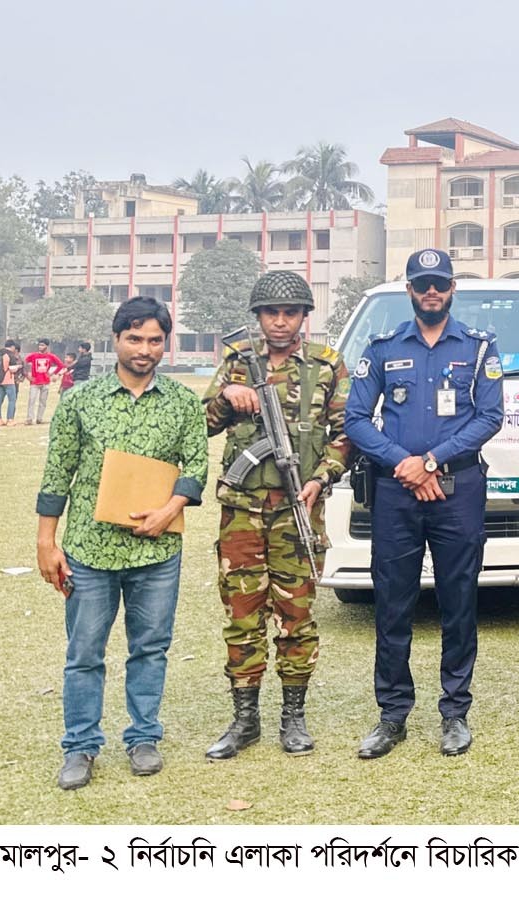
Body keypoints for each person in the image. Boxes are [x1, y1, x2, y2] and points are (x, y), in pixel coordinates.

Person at [34, 297, 208, 790]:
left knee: (150, 648)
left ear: (164, 344)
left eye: (155, 340)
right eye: (135, 338)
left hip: (157, 554)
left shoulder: (181, 403)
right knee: (84, 652)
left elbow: (195, 467)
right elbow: (57, 475)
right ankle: (81, 746)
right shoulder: (80, 401)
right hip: (89, 552)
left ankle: (144, 736)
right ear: (116, 340)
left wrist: (169, 511)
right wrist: (47, 543)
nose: (144, 349)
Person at [345, 248, 504, 759]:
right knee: (393, 603)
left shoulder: (479, 347)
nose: (431, 291)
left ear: (452, 288)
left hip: (457, 490)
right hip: (396, 491)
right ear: (409, 289)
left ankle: (455, 712)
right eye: (421, 284)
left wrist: (430, 460)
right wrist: (405, 465)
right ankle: (392, 715)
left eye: (439, 283)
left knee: (459, 602)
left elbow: (489, 417)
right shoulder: (383, 347)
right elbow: (356, 419)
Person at [201, 271, 351, 760]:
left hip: (298, 510)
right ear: (258, 317)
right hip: (242, 511)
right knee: (242, 613)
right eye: (271, 313)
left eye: (290, 313)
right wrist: (228, 396)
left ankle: (293, 717)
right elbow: (201, 423)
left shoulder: (327, 366)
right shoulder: (236, 363)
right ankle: (245, 719)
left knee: (297, 615)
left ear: (305, 317)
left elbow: (345, 434)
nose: (280, 322)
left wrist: (320, 478)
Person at [24, 338, 65, 425]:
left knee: (43, 402)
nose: (40, 347)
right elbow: (24, 362)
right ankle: (29, 418)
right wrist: (28, 374)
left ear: (47, 346)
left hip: (45, 381)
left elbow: (61, 365)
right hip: (34, 382)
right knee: (32, 400)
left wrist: (52, 373)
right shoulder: (33, 355)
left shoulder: (51, 356)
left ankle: (39, 418)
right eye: (39, 345)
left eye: (42, 345)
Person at [0, 339, 22, 426]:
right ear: (12, 347)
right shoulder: (10, 355)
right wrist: (18, 366)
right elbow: (12, 368)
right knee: (12, 400)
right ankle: (10, 420)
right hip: (8, 380)